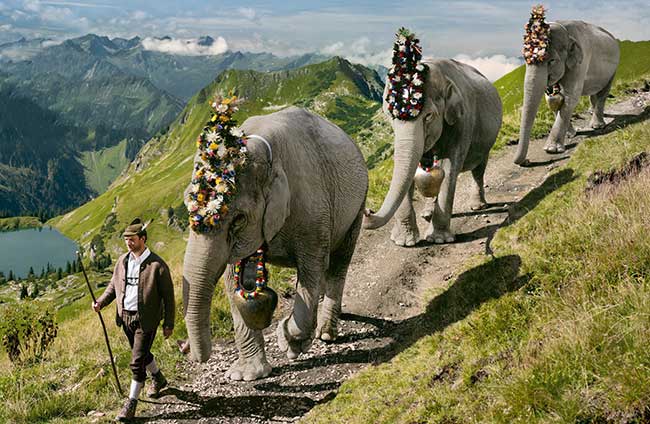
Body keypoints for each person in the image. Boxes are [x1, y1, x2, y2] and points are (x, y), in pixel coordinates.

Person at [92, 218, 175, 421]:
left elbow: (168, 297)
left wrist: (169, 323)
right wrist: (101, 302)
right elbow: (113, 287)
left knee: (136, 361)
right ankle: (158, 378)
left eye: (132, 239)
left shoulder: (157, 265)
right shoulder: (122, 261)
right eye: (126, 239)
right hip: (125, 317)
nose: (128, 242)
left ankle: (130, 404)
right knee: (143, 354)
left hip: (146, 319)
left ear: (143, 239)